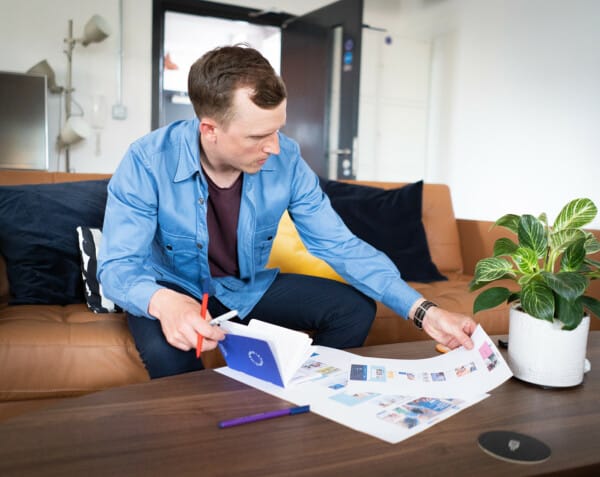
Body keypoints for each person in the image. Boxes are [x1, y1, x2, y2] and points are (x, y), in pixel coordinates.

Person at [98, 45, 477, 379]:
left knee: (353, 310)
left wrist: (426, 311)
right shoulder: (147, 161)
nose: (275, 148)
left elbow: (340, 245)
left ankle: (303, 394)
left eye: (277, 130)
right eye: (257, 137)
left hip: (243, 288)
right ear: (210, 129)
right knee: (171, 351)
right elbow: (118, 267)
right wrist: (163, 303)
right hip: (172, 289)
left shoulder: (288, 160)